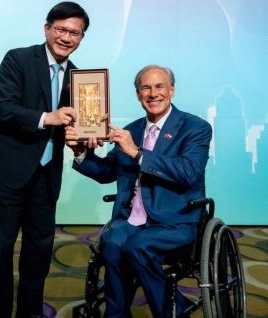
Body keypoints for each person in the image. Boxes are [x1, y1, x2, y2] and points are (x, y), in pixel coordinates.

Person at [65, 65, 212, 318]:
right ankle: (117, 314)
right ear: (138, 94)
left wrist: (137, 153)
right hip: (132, 219)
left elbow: (188, 172)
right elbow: (105, 173)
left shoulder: (195, 127)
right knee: (111, 243)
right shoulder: (131, 130)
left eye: (159, 86)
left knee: (137, 246)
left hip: (174, 221)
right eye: (146, 87)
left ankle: (170, 312)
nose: (153, 93)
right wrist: (79, 151)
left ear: (171, 91)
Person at [0, 1, 90, 318]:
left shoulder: (81, 78)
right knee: (0, 248)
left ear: (81, 38)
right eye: (61, 29)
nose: (67, 37)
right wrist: (48, 118)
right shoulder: (18, 59)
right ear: (47, 28)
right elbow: (3, 108)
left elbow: (80, 126)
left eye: (75, 33)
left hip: (46, 174)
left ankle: (30, 313)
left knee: (39, 249)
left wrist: (87, 138)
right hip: (7, 170)